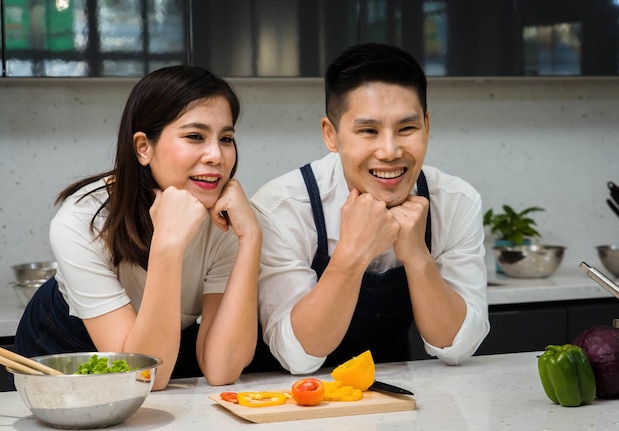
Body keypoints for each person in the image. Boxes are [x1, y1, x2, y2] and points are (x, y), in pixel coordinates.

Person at [14, 65, 261, 390]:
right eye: (195, 136)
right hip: (65, 349)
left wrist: (251, 238)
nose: (216, 155)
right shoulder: (83, 221)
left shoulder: (229, 217)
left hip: (158, 351)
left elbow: (222, 369)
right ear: (144, 147)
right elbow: (141, 377)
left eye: (226, 138)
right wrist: (168, 246)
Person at [250, 43, 490, 374]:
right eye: (368, 131)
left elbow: (459, 346)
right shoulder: (283, 207)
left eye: (407, 128)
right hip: (290, 402)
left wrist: (418, 256)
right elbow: (297, 356)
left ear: (427, 125)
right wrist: (351, 256)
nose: (390, 151)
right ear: (331, 135)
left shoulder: (455, 200)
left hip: (392, 396)